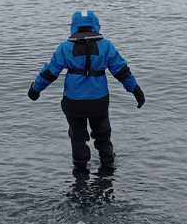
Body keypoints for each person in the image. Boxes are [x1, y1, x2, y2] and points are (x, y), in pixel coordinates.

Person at [27, 10, 145, 175]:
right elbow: (122, 71)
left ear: (74, 26)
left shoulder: (65, 47)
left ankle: (80, 170)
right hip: (99, 101)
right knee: (103, 135)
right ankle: (108, 168)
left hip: (73, 102)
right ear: (95, 24)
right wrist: (136, 91)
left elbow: (50, 73)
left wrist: (35, 90)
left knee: (78, 137)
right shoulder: (106, 46)